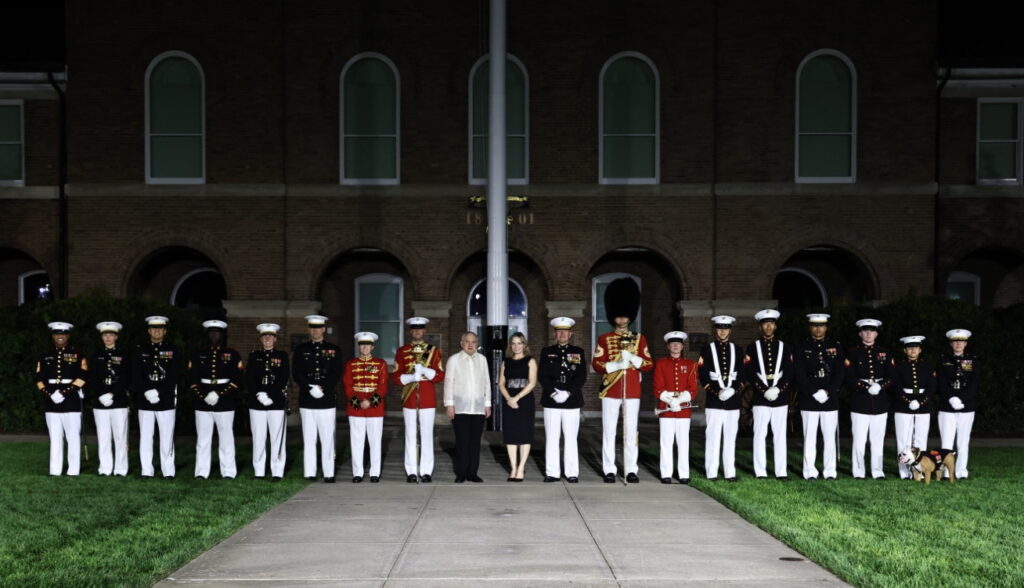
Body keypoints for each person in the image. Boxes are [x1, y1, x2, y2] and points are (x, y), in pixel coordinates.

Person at [592, 277, 652, 483]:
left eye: (625, 314)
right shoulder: (604, 339)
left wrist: (634, 359)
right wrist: (616, 365)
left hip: (632, 390)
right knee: (609, 430)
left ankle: (630, 468)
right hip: (611, 390)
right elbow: (597, 364)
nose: (622, 318)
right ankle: (609, 468)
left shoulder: (639, 339)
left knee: (630, 431)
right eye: (618, 315)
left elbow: (648, 364)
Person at [188, 320, 243, 479]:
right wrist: (203, 395)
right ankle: (201, 472)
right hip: (203, 401)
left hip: (225, 402)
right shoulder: (198, 354)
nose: (214, 335)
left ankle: (228, 472)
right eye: (211, 332)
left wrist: (219, 394)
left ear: (222, 335)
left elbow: (237, 378)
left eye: (217, 332)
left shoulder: (232, 354)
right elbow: (192, 378)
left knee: (226, 438)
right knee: (203, 439)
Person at [793, 313, 846, 480]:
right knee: (809, 438)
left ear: (826, 327)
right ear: (810, 327)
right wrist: (813, 392)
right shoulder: (802, 347)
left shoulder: (835, 346)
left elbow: (840, 373)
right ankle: (810, 471)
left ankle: (830, 471)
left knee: (829, 437)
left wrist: (828, 391)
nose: (818, 329)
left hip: (829, 399)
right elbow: (799, 374)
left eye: (821, 325)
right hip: (809, 399)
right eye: (815, 325)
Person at [392, 317, 444, 483]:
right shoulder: (402, 351)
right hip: (409, 398)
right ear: (410, 332)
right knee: (410, 435)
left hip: (427, 399)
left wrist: (427, 372)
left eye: (420, 329)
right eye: (414, 329)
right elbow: (396, 377)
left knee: (427, 435)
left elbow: (440, 375)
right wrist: (410, 377)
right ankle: (411, 471)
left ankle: (426, 471)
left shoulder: (434, 351)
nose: (417, 332)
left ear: (424, 331)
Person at [292, 314, 342, 482]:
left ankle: (329, 473)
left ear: (323, 330)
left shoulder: (334, 349)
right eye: (312, 328)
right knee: (309, 437)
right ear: (309, 330)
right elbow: (297, 373)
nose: (315, 331)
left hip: (326, 399)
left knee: (327, 437)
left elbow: (336, 373)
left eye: (318, 328)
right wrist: (309, 387)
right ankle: (310, 472)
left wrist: (323, 387)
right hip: (307, 399)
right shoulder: (301, 349)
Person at [744, 309, 792, 480]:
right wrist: (764, 390)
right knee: (760, 435)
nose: (769, 326)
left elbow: (789, 372)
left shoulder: (784, 347)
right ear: (760, 327)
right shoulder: (752, 347)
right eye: (765, 323)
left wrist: (778, 389)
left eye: (771, 323)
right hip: (760, 399)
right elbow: (750, 372)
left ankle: (781, 471)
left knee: (780, 435)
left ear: (776, 326)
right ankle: (760, 471)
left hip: (780, 398)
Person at [538, 317, 588, 483]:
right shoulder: (546, 351)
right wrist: (553, 392)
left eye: (565, 331)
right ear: (555, 334)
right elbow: (542, 375)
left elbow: (581, 376)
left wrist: (568, 393)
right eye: (559, 331)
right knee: (552, 437)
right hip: (551, 399)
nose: (562, 334)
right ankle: (552, 472)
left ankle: (572, 472)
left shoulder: (578, 351)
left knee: (571, 437)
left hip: (571, 399)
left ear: (570, 333)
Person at [35, 321, 87, 476]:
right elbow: (38, 379)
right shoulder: (45, 356)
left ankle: (73, 470)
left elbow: (82, 377)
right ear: (53, 336)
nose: (60, 337)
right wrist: (50, 394)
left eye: (63, 334)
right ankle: (55, 470)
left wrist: (64, 393)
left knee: (73, 438)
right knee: (55, 438)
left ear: (68, 336)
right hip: (51, 402)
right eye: (57, 334)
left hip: (71, 401)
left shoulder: (78, 355)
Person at [845, 318, 894, 479]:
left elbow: (892, 376)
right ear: (860, 333)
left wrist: (881, 386)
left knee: (877, 440)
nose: (868, 334)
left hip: (879, 402)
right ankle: (859, 471)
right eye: (865, 331)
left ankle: (877, 471)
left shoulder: (885, 352)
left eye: (871, 331)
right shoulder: (852, 352)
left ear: (876, 334)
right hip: (860, 402)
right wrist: (866, 387)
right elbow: (849, 378)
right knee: (859, 440)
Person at [133, 315, 179, 479]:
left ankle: (168, 471)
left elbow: (174, 375)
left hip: (165, 400)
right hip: (145, 400)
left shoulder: (173, 350)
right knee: (145, 436)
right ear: (149, 331)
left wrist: (158, 391)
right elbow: (137, 374)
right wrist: (147, 391)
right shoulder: (140, 349)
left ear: (165, 331)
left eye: (160, 328)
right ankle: (146, 470)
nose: (156, 331)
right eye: (153, 328)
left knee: (167, 437)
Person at [698, 315, 742, 482]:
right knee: (713, 437)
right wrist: (717, 391)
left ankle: (730, 472)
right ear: (715, 330)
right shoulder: (707, 349)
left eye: (726, 328)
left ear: (730, 330)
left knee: (730, 438)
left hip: (733, 401)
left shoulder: (737, 350)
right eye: (719, 328)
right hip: (714, 401)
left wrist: (733, 390)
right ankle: (712, 472)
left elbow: (742, 374)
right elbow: (703, 374)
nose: (723, 331)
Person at [443, 331, 492, 483]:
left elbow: (487, 383)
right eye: (467, 342)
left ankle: (473, 473)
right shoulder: (454, 360)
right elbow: (448, 382)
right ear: (461, 343)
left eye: (474, 342)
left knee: (475, 443)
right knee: (462, 442)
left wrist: (487, 404)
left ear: (477, 344)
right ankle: (461, 473)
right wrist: (449, 404)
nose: (471, 345)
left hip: (478, 407)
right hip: (460, 407)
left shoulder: (482, 359)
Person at [653, 330, 699, 484]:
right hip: (665, 409)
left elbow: (693, 388)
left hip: (683, 409)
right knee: (666, 442)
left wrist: (679, 401)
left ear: (682, 346)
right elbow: (657, 387)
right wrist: (670, 401)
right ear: (668, 346)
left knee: (683, 442)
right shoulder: (660, 363)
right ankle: (666, 473)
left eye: (678, 344)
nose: (675, 346)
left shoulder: (691, 364)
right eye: (672, 344)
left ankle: (683, 474)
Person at [246, 323, 290, 480]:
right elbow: (249, 378)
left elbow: (284, 378)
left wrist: (269, 394)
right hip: (257, 402)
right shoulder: (253, 356)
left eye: (270, 336)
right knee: (258, 437)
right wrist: (259, 394)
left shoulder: (282, 356)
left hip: (276, 401)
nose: (267, 339)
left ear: (275, 339)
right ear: (261, 339)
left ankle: (277, 470)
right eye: (265, 336)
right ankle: (259, 470)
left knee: (277, 437)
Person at [345, 331, 388, 483]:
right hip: (356, 406)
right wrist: (358, 400)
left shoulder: (380, 364)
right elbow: (348, 386)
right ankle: (357, 472)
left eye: (367, 345)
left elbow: (382, 387)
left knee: (375, 440)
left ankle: (374, 473)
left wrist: (370, 401)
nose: (365, 347)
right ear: (359, 347)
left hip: (374, 407)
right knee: (356, 441)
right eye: (362, 345)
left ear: (372, 347)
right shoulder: (351, 364)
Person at [89, 321, 131, 476]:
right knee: (103, 437)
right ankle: (105, 468)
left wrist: (112, 394)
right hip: (100, 402)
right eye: (105, 335)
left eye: (111, 335)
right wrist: (101, 395)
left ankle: (121, 468)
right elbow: (92, 378)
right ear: (102, 337)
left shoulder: (124, 355)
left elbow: (126, 378)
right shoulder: (95, 355)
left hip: (118, 401)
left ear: (116, 336)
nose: (108, 338)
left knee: (120, 437)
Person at [892, 335, 935, 479]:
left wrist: (921, 401)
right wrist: (907, 400)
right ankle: (904, 472)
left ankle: (919, 470)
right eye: (909, 347)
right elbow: (896, 387)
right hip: (903, 406)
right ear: (905, 350)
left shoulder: (928, 367)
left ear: (920, 349)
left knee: (921, 440)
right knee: (903, 439)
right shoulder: (898, 367)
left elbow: (931, 387)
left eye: (915, 347)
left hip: (923, 406)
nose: (912, 350)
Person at [937, 329, 977, 479]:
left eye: (961, 341)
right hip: (947, 407)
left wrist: (962, 399)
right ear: (951, 343)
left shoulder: (972, 360)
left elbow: (974, 383)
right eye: (955, 341)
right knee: (947, 442)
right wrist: (951, 398)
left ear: (965, 343)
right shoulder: (943, 360)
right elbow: (940, 382)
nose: (958, 344)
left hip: (966, 407)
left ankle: (961, 471)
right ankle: (947, 472)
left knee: (963, 442)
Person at [498, 332, 537, 481]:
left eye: (519, 343)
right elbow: (501, 383)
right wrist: (509, 398)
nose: (516, 346)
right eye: (513, 343)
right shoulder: (505, 362)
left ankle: (521, 468)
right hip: (509, 400)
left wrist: (517, 397)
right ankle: (513, 468)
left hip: (525, 400)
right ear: (510, 345)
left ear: (524, 345)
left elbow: (532, 383)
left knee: (524, 434)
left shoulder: (530, 361)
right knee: (511, 435)